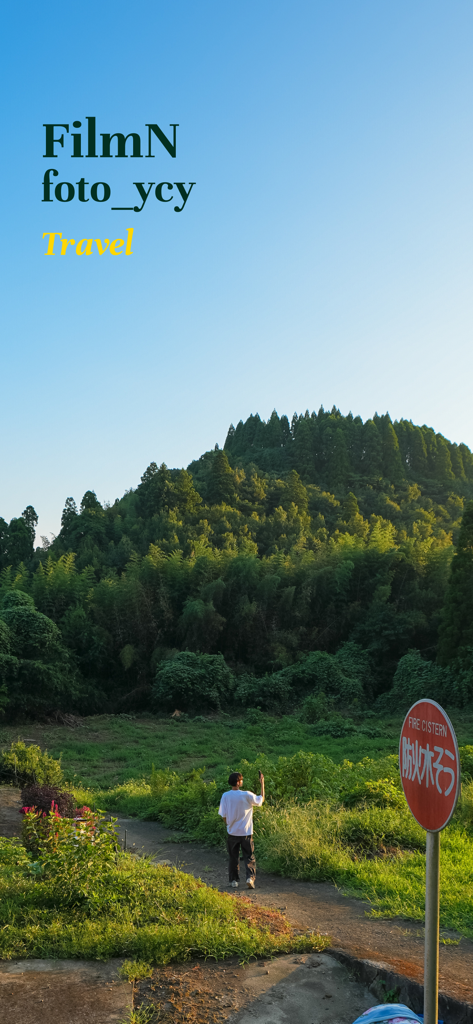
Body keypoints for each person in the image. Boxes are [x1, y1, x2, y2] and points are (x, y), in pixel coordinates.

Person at [218, 770, 265, 889]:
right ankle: (250, 878)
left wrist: (229, 825)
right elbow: (261, 799)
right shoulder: (247, 795)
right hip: (246, 832)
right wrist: (262, 783)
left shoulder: (225, 796)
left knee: (233, 857)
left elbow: (223, 815)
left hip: (232, 832)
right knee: (249, 856)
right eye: (241, 780)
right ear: (238, 782)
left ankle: (234, 881)